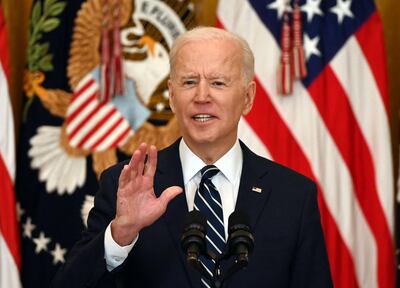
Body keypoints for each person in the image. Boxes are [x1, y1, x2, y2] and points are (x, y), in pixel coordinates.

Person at [51, 27, 333, 288]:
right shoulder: (124, 184)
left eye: (218, 82)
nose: (202, 96)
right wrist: (121, 234)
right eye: (189, 82)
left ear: (247, 98)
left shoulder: (293, 195)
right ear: (172, 96)